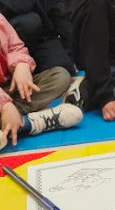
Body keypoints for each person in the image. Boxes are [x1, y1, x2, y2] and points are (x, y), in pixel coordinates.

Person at [0, 12, 82, 152]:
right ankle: (28, 123)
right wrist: (5, 105)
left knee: (60, 76)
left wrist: (21, 65)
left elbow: (15, 46)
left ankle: (11, 120)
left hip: (8, 87)